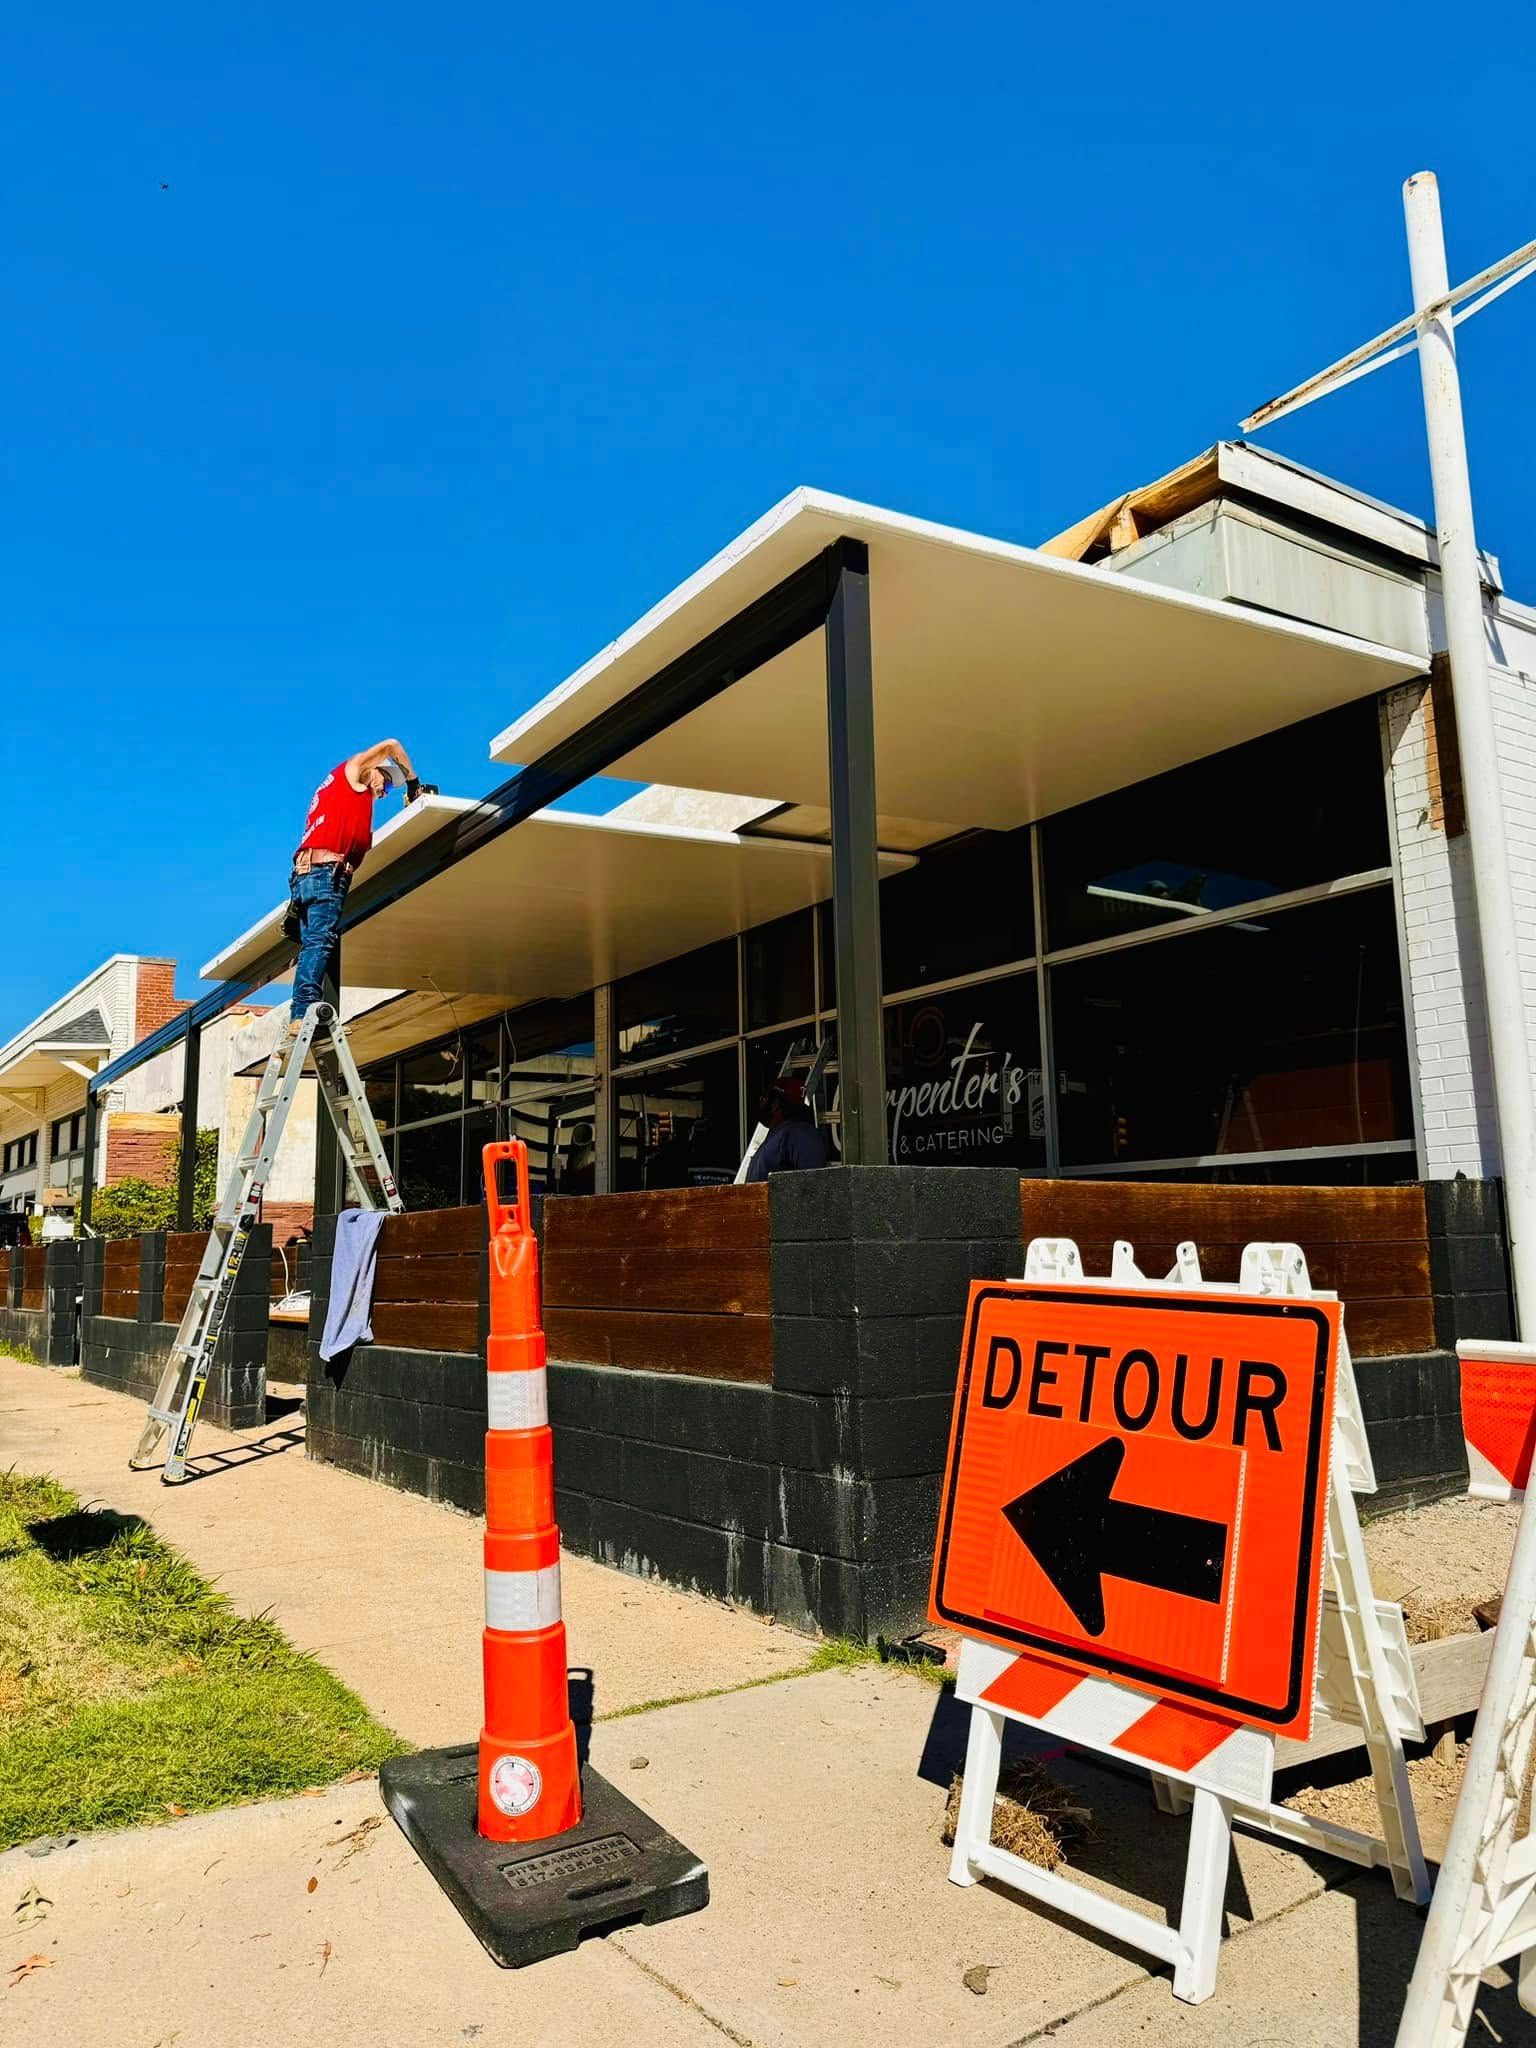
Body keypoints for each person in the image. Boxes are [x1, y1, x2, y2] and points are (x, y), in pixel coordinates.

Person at [285, 740, 435, 1030]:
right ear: (374, 769)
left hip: (308, 873)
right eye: (387, 783)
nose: (384, 791)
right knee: (320, 941)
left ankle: (305, 1016)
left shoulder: (345, 799)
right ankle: (302, 1016)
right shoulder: (351, 773)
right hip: (325, 873)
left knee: (314, 946)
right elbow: (392, 744)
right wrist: (413, 782)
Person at [744, 1077, 833, 1182]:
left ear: (775, 1104)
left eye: (764, 1098)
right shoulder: (777, 1134)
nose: (760, 1101)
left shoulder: (801, 1135)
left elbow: (813, 1186)